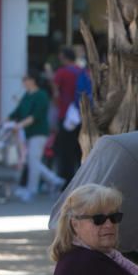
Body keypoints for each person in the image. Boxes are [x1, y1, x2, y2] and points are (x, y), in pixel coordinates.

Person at [8, 74, 64, 202]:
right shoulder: (27, 95)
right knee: (32, 161)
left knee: (33, 161)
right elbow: (17, 112)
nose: (23, 82)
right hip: (28, 133)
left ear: (32, 80)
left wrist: (20, 125)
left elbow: (36, 115)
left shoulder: (42, 95)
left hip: (39, 132)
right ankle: (54, 180)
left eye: (25, 79)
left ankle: (32, 190)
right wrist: (2, 122)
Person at [52, 47, 84, 184]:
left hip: (66, 116)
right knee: (79, 149)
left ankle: (67, 182)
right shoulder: (82, 71)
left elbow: (55, 93)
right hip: (82, 115)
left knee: (65, 150)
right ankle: (82, 179)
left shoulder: (61, 72)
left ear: (64, 57)